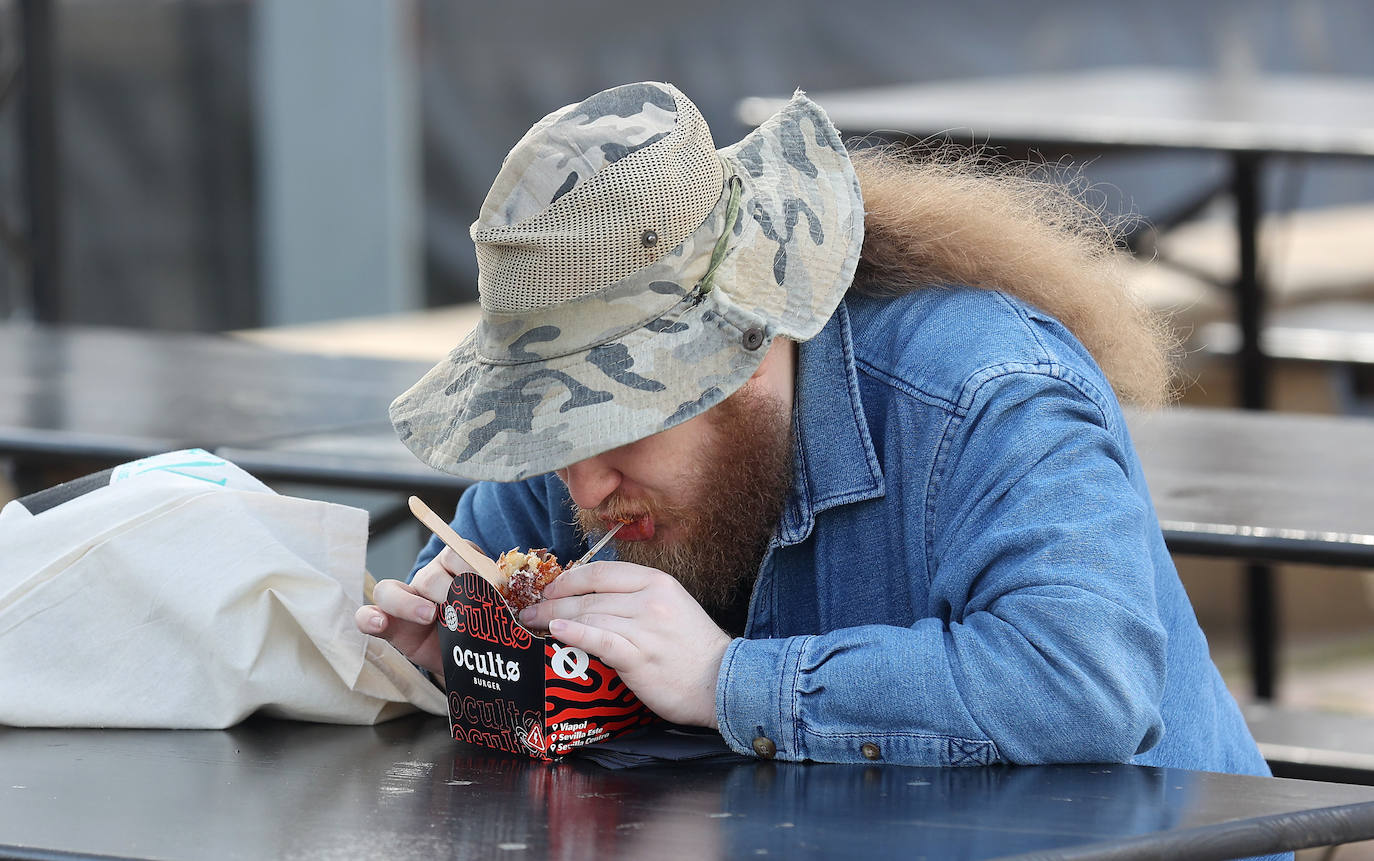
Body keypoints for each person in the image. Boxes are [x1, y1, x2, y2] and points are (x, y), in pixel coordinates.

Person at [355, 80, 1268, 773]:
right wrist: (466, 664)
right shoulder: (574, 465)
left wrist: (727, 682)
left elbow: (1083, 684)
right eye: (555, 439)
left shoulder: (990, 393)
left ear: (744, 345)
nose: (582, 488)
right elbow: (483, 633)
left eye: (618, 420)